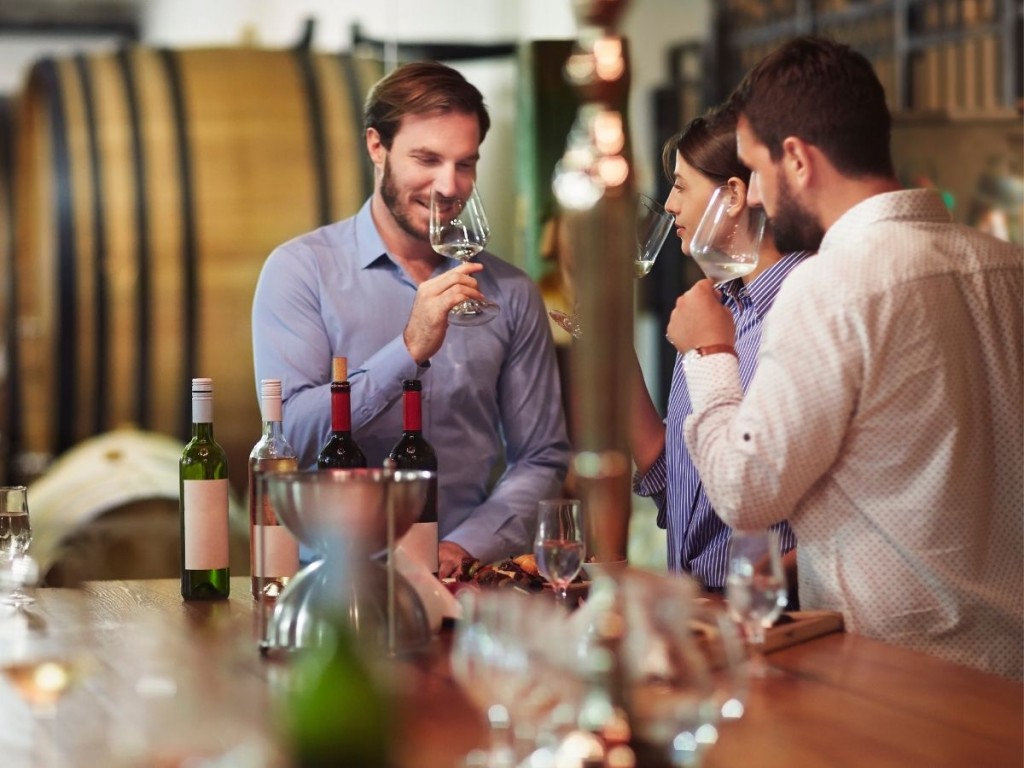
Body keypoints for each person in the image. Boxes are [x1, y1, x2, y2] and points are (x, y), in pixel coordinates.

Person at [669, 36, 1023, 679]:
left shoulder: (830, 284)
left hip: (901, 672)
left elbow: (746, 494)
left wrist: (711, 351)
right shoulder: (1008, 267)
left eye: (757, 172)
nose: (753, 199)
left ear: (797, 159)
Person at [252, 61, 570, 577]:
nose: (449, 186)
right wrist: (408, 350)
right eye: (427, 158)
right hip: (331, 584)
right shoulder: (300, 271)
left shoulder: (510, 293)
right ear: (376, 146)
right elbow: (292, 441)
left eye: (465, 164)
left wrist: (463, 548)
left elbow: (541, 457)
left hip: (466, 583)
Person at [631, 105, 811, 592]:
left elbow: (832, 512)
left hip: (777, 619)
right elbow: (681, 488)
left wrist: (751, 583)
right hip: (701, 613)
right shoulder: (712, 309)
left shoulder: (803, 311)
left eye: (681, 185)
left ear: (733, 195)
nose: (669, 205)